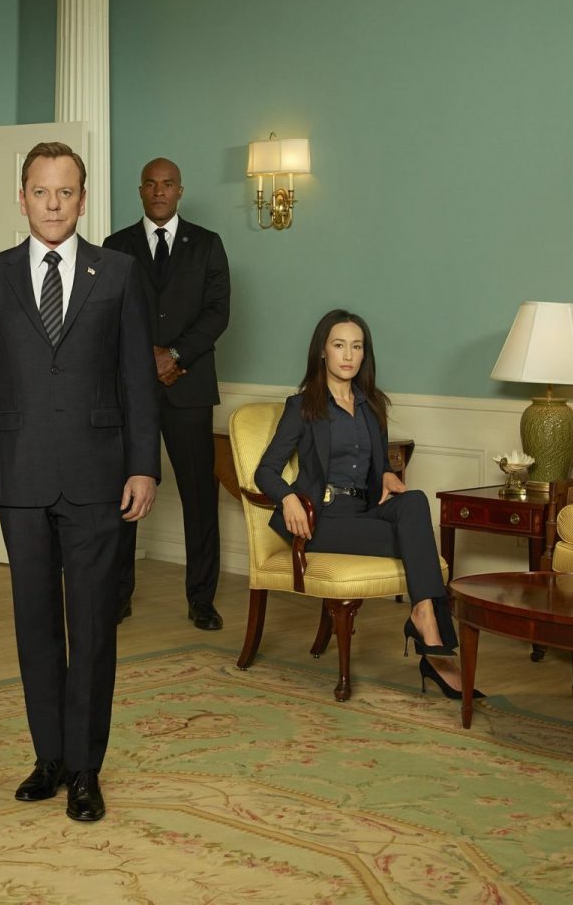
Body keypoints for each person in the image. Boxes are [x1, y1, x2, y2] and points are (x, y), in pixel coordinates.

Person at [0, 142, 160, 822]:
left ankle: (87, 768)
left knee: (92, 627)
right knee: (35, 625)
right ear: (22, 198)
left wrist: (143, 465)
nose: (54, 204)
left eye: (66, 192)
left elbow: (137, 378)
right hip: (20, 474)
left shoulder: (118, 272)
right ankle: (50, 759)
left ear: (83, 199)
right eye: (41, 192)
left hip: (99, 475)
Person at [254, 309, 475, 699]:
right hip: (320, 519)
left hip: (363, 511)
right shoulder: (302, 406)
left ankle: (423, 615)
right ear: (322, 351)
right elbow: (265, 471)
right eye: (339, 345)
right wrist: (288, 498)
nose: (348, 355)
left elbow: (376, 468)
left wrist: (386, 474)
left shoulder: (372, 405)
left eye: (356, 347)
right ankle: (431, 633)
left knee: (414, 501)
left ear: (364, 353)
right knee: (418, 544)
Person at [104, 157, 230, 629]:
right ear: (140, 191)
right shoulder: (116, 246)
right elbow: (106, 314)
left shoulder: (208, 244)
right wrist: (146, 359)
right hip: (129, 391)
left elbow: (217, 313)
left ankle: (202, 600)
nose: (159, 191)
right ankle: (117, 596)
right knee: (123, 495)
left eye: (168, 184)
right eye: (151, 184)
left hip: (188, 388)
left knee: (200, 499)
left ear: (180, 190)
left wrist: (175, 355)